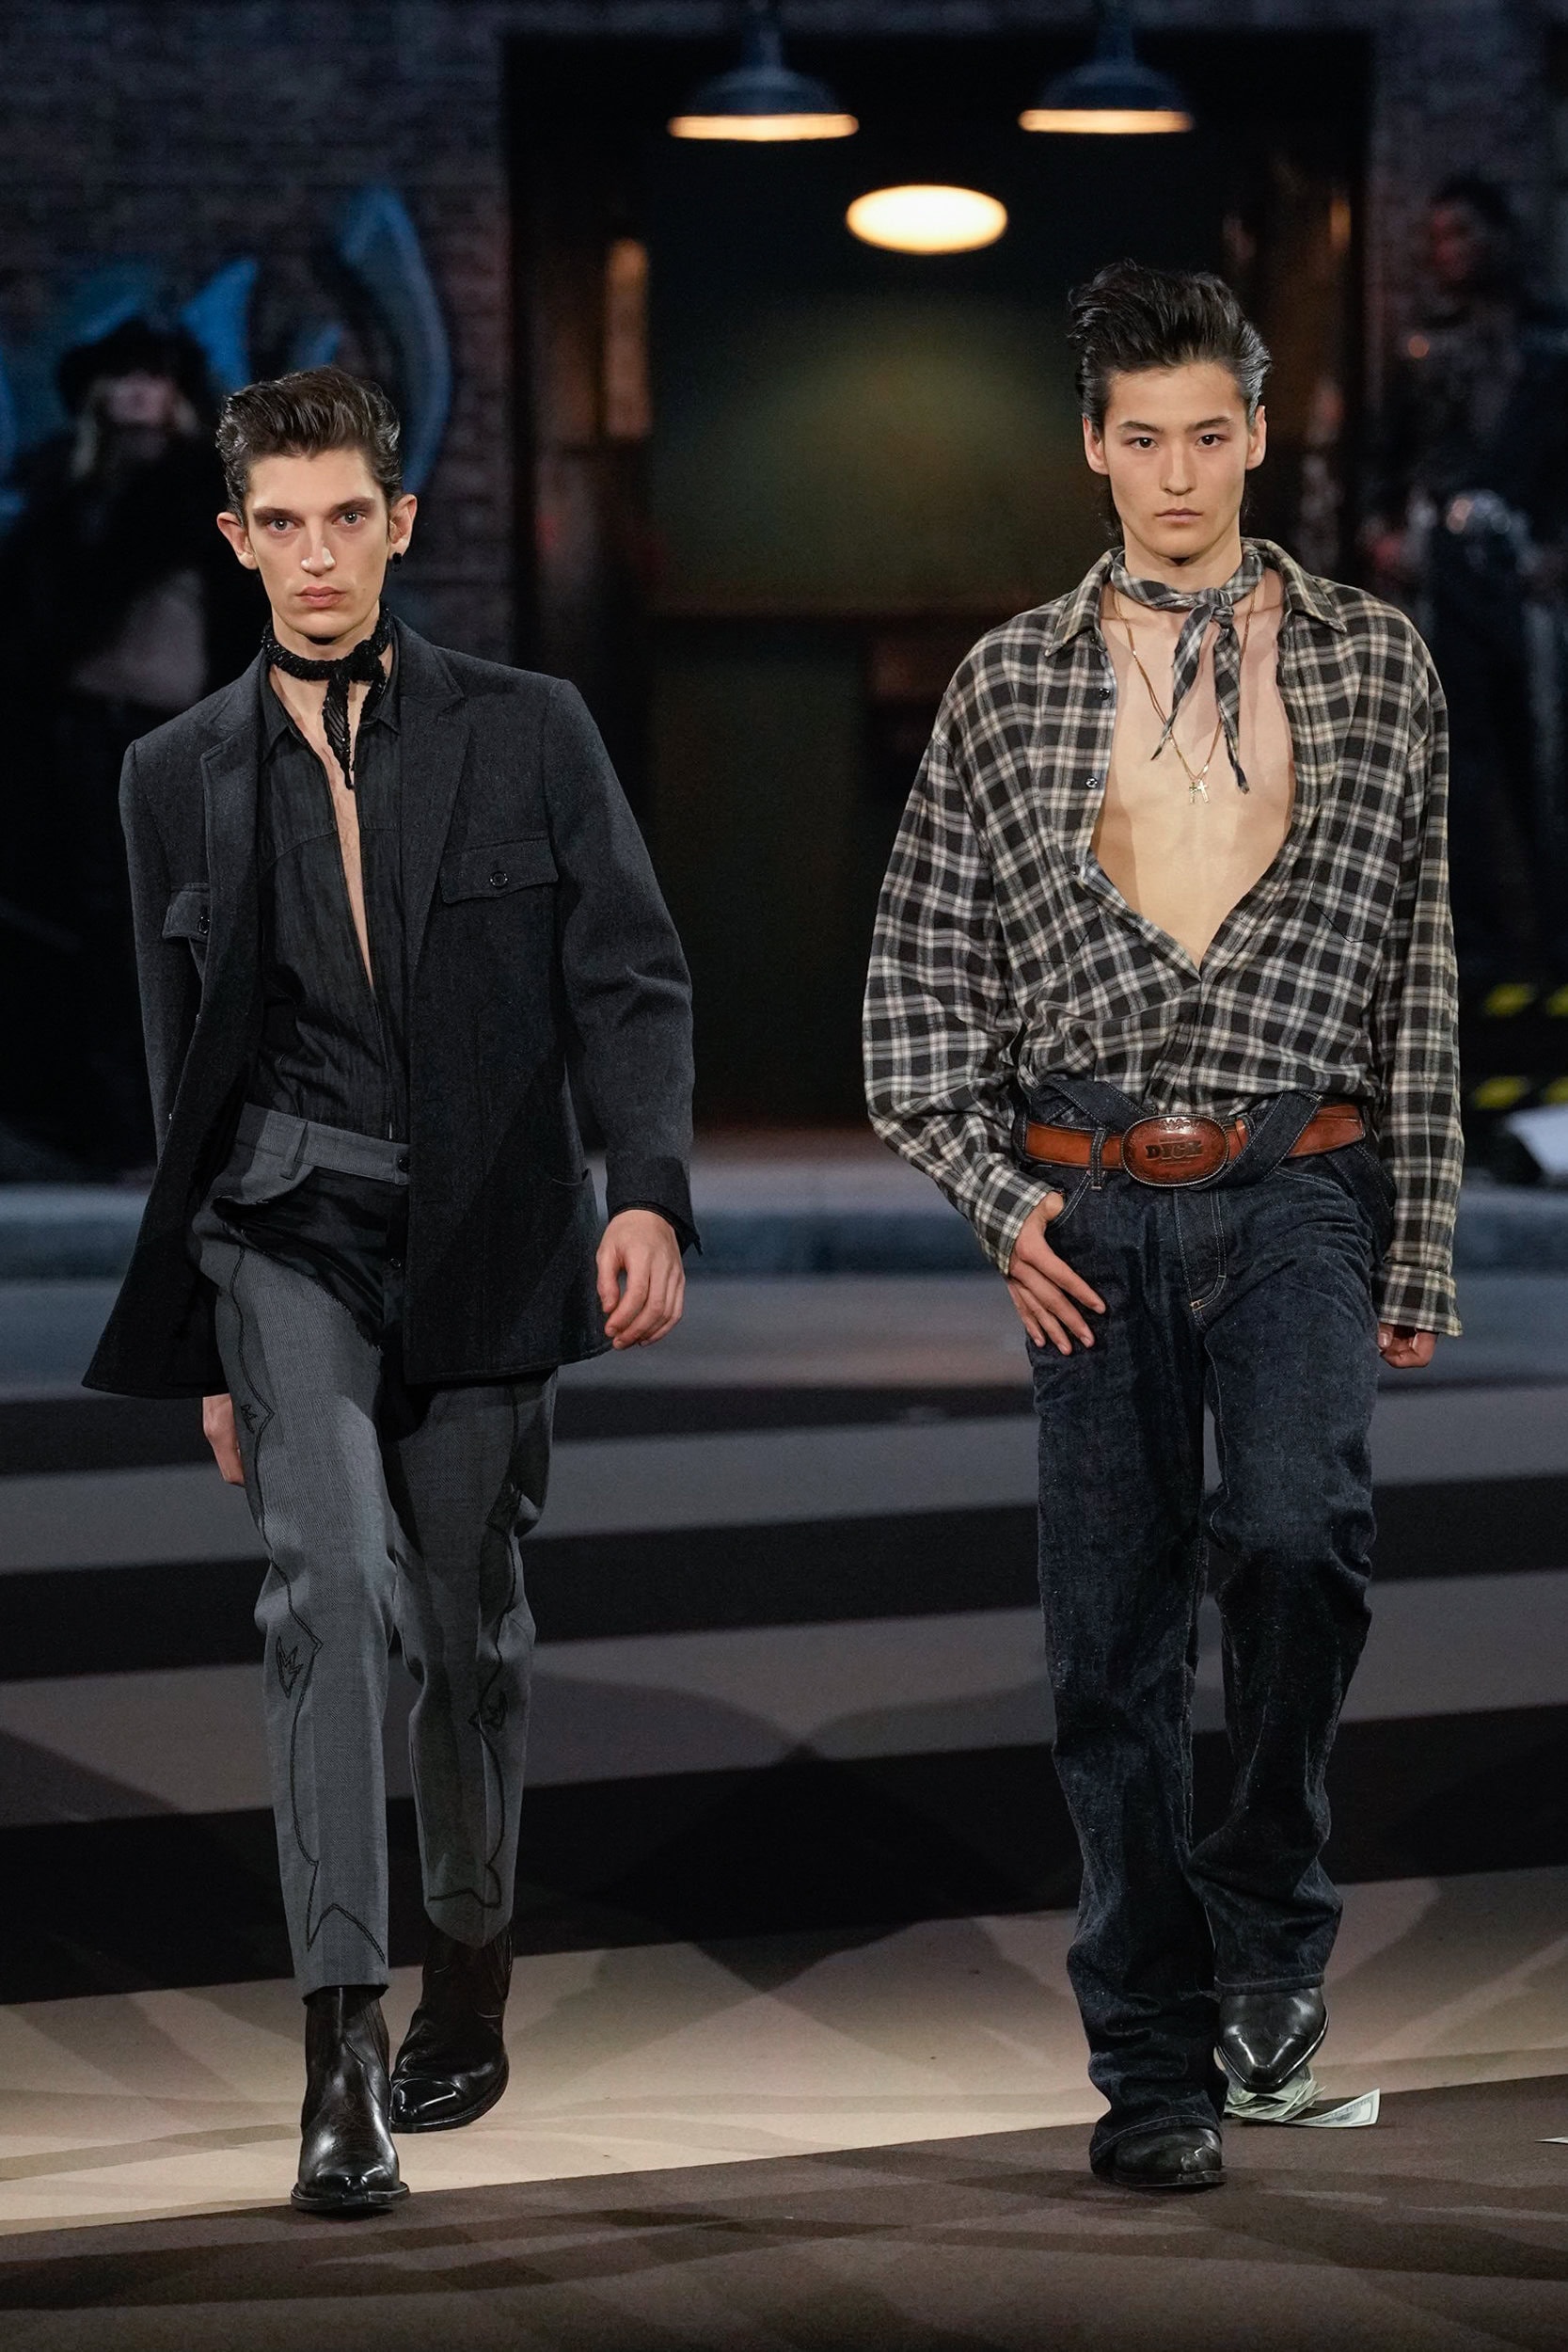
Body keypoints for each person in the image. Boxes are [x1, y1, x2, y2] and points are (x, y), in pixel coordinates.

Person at [864, 262, 1460, 2192]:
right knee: (1105, 1652)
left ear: (1258, 434)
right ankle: (1147, 2062)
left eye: (1210, 434)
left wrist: (1418, 1243)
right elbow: (909, 1004)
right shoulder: (1005, 682)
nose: (1179, 473)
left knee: (1298, 1539)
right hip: (1092, 1197)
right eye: (1143, 439)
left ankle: (1266, 1909)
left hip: (1297, 1177)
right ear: (1092, 449)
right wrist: (999, 1202)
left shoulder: (1374, 661)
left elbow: (1419, 972)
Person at [84, 366, 696, 2215]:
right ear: (235, 538)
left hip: (493, 1230)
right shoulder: (171, 778)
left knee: (466, 1628)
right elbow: (180, 1070)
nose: (317, 554)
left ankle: (471, 1964)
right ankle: (338, 2048)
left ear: (398, 522)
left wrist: (647, 1192)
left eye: (346, 516)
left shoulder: (529, 729)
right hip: (282, 1228)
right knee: (328, 1589)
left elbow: (627, 974)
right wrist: (211, 1340)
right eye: (280, 523)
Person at [0, 320, 261, 1171]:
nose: (139, 392)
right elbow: (39, 617)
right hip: (85, 731)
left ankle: (189, 1121)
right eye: (123, 377)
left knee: (184, 918)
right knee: (105, 919)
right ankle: (122, 1125)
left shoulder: (200, 493)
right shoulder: (69, 493)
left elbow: (241, 615)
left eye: (153, 377)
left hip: (177, 728)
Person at [1364, 176, 1568, 995]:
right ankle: (1477, 947)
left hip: (1529, 570)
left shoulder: (1553, 340)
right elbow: (1382, 451)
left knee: (1543, 754)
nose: (1454, 250)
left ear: (1500, 237)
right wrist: (1380, 531)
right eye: (1441, 237)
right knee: (1458, 755)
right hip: (1443, 572)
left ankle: (1554, 941)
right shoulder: (1419, 342)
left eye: (1466, 233)